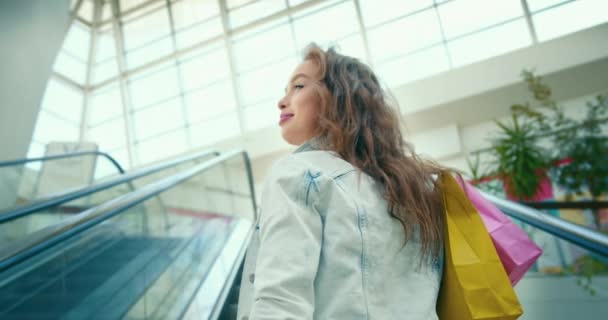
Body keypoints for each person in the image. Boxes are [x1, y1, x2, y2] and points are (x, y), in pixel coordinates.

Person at [237, 44, 447, 320]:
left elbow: (281, 301)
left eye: (298, 87)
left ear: (337, 97)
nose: (282, 101)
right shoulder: (417, 190)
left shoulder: (298, 173)